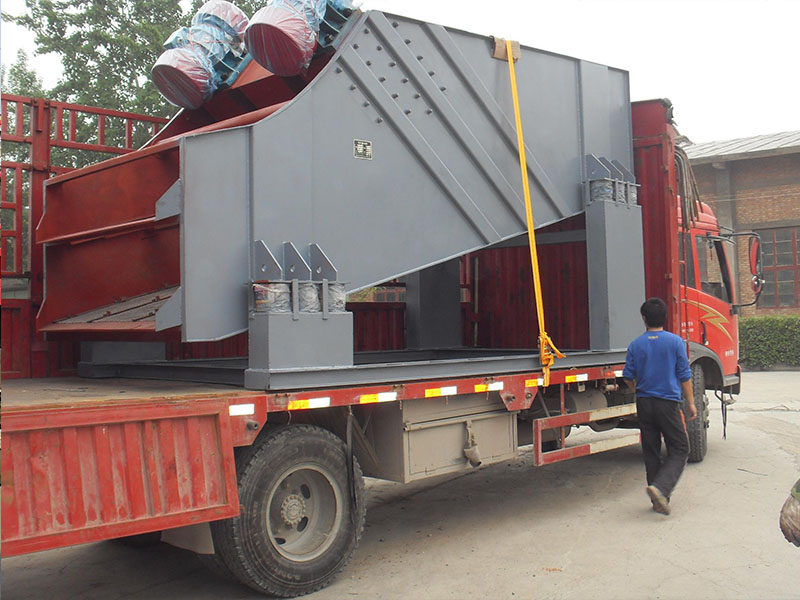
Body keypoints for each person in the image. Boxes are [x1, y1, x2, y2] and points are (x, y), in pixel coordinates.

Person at [623, 297, 697, 515]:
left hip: (644, 403)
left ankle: (658, 500)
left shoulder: (636, 345)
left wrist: (637, 389)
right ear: (665, 317)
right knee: (680, 448)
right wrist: (691, 403)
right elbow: (684, 375)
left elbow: (627, 376)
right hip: (667, 402)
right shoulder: (675, 342)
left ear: (644, 319)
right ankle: (661, 489)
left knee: (651, 450)